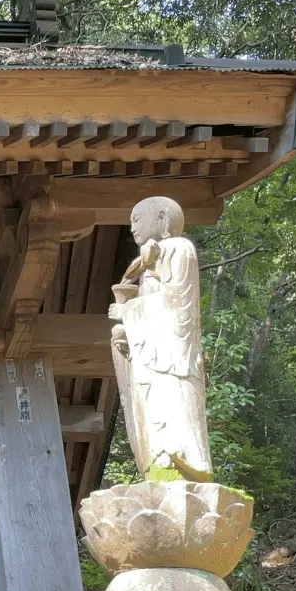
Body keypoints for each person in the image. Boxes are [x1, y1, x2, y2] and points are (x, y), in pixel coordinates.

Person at [110, 196, 213, 480]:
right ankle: (159, 463)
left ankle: (181, 462)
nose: (132, 227)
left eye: (137, 218)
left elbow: (176, 303)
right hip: (154, 356)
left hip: (173, 358)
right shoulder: (149, 258)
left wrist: (127, 310)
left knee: (173, 407)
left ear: (162, 218)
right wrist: (128, 334)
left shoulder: (178, 248)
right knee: (152, 410)